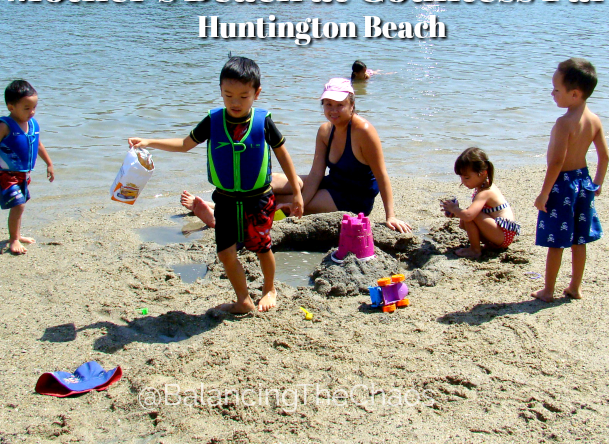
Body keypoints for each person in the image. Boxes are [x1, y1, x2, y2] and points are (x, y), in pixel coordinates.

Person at [128, 57, 304, 314]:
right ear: (220, 91)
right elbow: (185, 144)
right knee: (225, 253)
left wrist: (297, 192)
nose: (235, 102)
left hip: (258, 199)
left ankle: (269, 289)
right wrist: (149, 141)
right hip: (225, 200)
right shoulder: (213, 121)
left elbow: (283, 155)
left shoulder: (263, 122)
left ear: (257, 93)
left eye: (243, 96)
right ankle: (243, 299)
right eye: (228, 95)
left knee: (262, 247)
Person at [274, 77, 411, 233]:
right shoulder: (325, 131)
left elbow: (381, 175)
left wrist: (390, 216)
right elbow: (316, 174)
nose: (333, 111)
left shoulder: (363, 131)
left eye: (340, 105)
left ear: (352, 105)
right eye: (328, 105)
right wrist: (300, 201)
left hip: (353, 199)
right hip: (333, 182)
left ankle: (263, 212)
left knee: (277, 200)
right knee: (273, 183)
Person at [531, 58, 609, 302]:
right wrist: (597, 184)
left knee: (557, 241)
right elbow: (604, 157)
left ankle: (548, 290)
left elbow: (556, 162)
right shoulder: (594, 120)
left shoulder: (564, 123)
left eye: (556, 89)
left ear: (574, 94)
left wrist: (544, 193)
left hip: (563, 185)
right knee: (579, 238)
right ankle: (575, 287)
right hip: (583, 182)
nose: (552, 93)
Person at [0, 80, 55, 255]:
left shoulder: (32, 124)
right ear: (11, 107)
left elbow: (38, 145)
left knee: (20, 204)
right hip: (6, 174)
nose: (32, 112)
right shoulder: (5, 126)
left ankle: (17, 235)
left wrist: (49, 163)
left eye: (34, 107)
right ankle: (13, 239)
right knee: (18, 205)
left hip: (23, 173)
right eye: (27, 108)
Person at [441, 147, 520, 259]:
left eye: (467, 177)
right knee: (464, 220)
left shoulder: (486, 192)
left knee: (470, 215)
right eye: (461, 177)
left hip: (503, 235)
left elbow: (469, 215)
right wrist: (456, 213)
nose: (463, 181)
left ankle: (475, 250)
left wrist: (455, 209)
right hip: (499, 234)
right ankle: (479, 246)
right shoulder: (481, 187)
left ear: (482, 173)